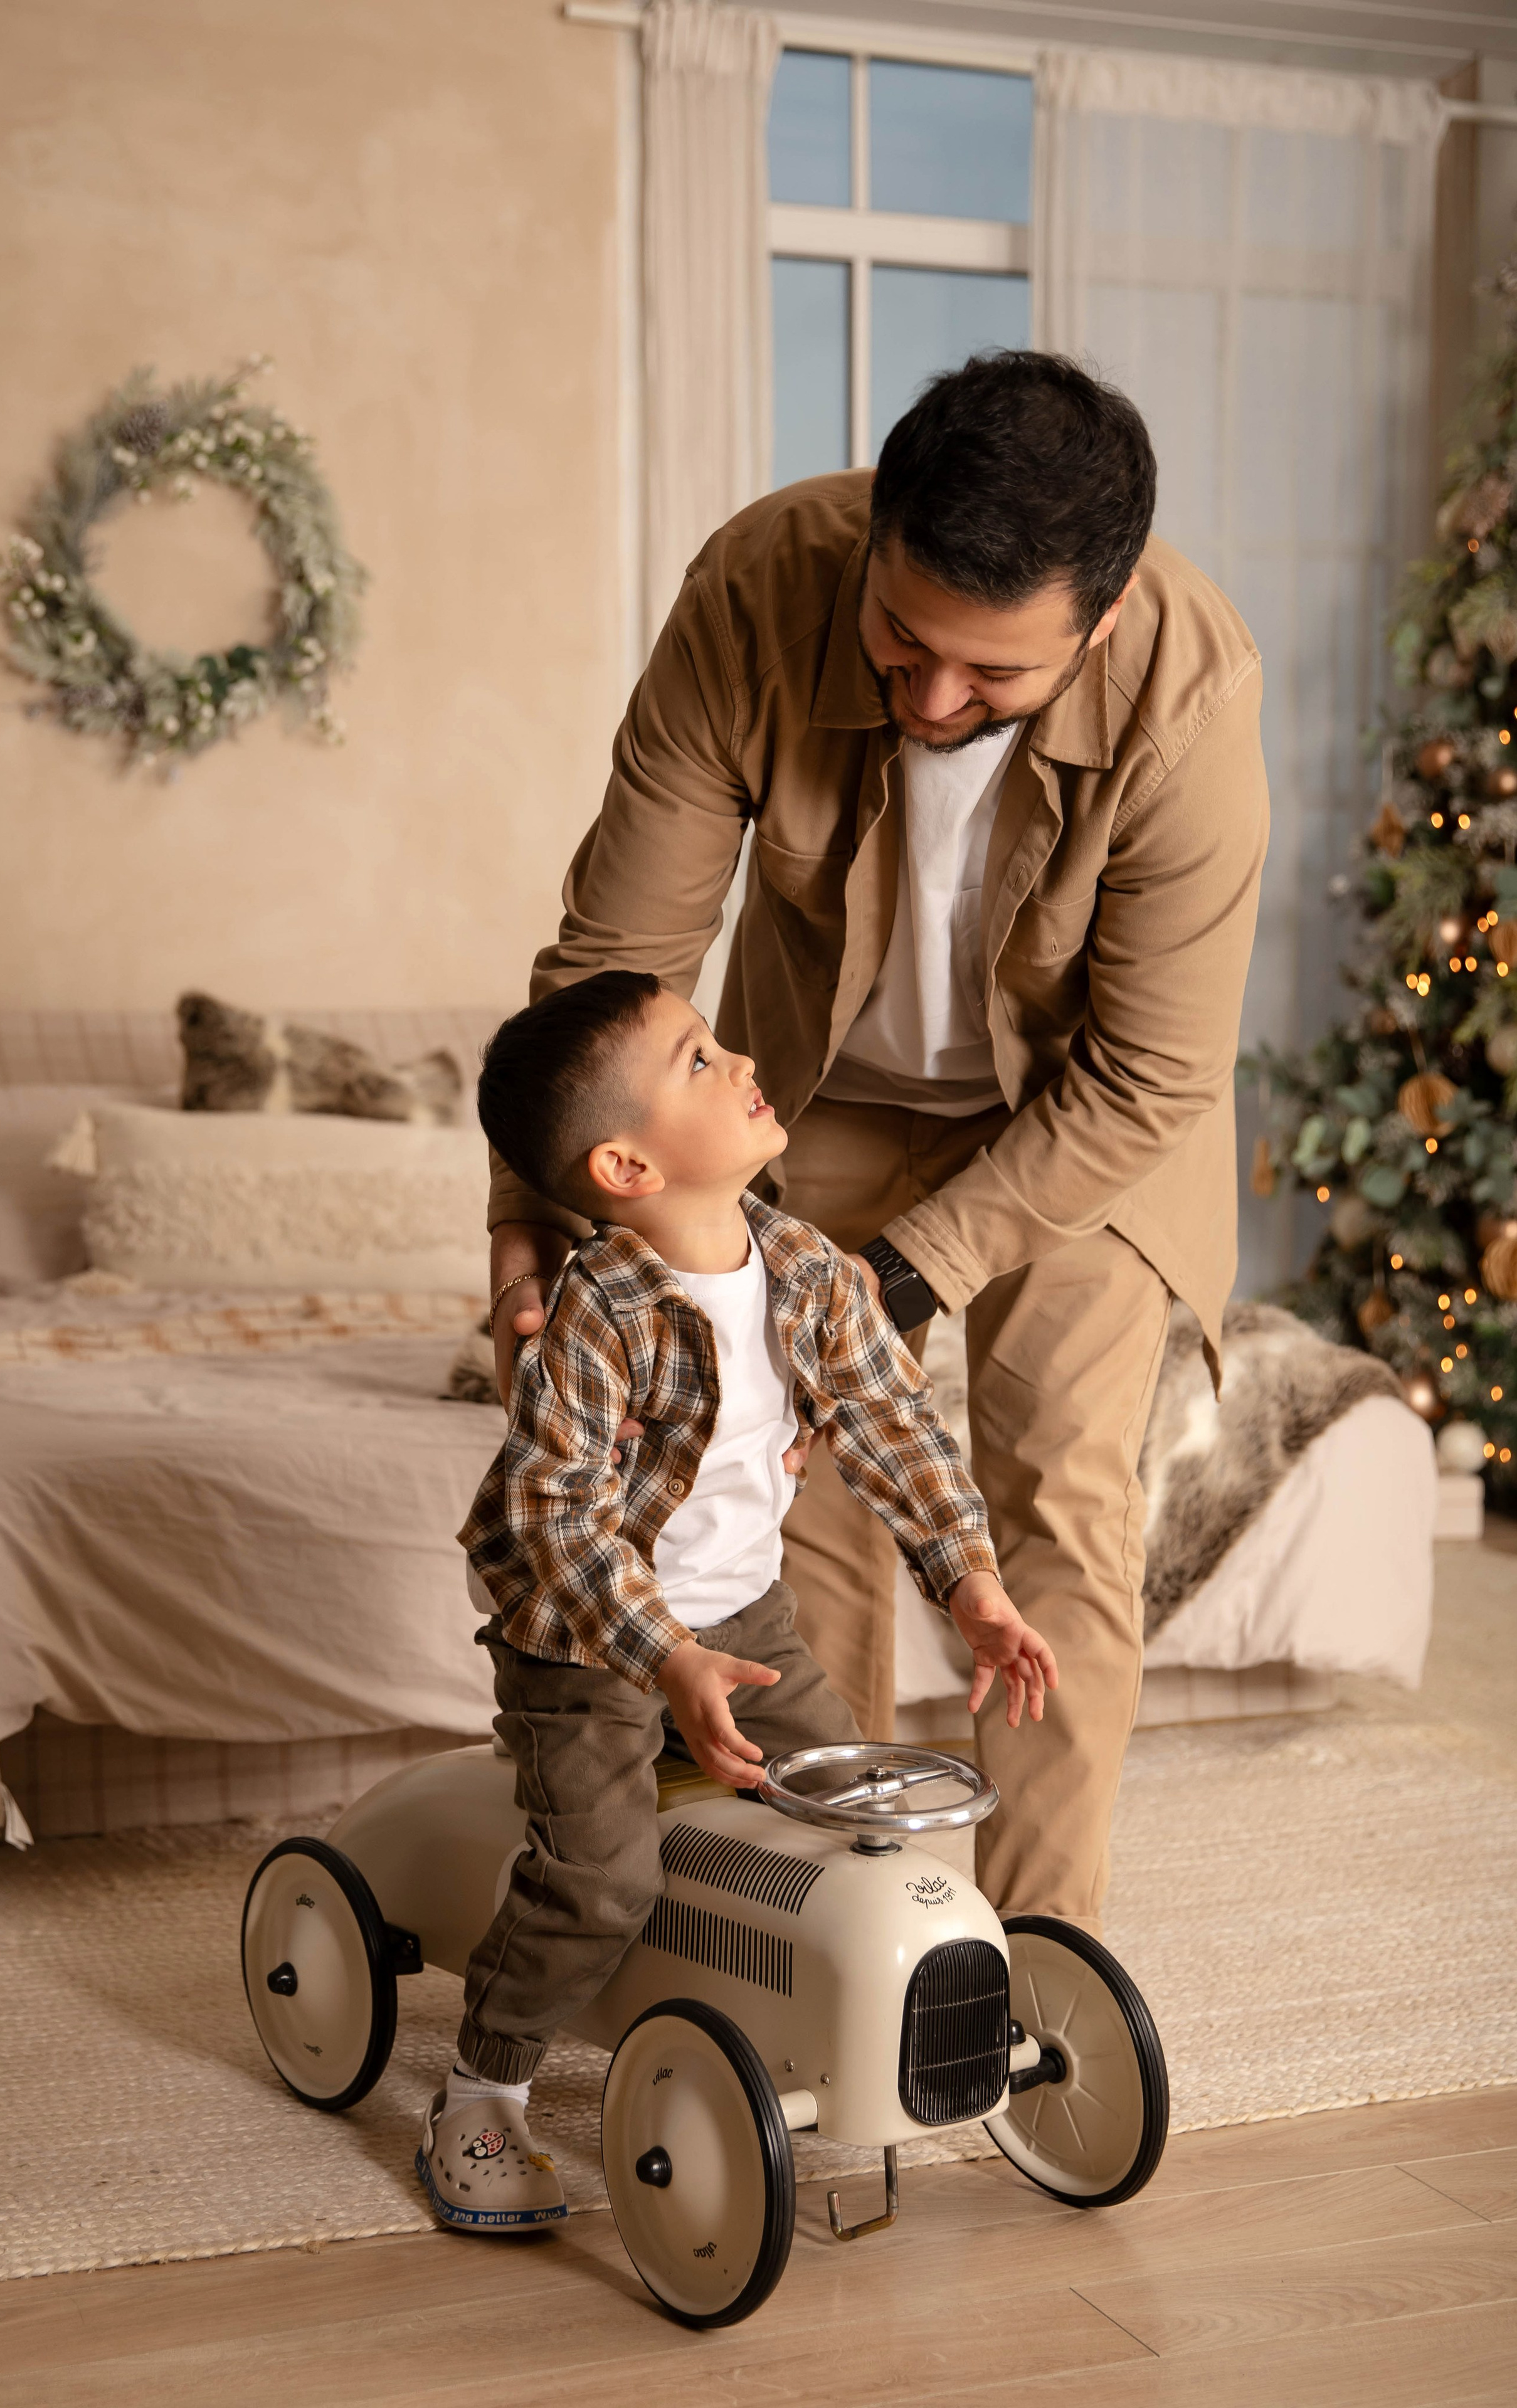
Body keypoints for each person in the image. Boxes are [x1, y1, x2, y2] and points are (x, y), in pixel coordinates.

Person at [485, 352, 1269, 1945]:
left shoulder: (1189, 694)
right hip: (822, 1093)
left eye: (990, 674)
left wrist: (898, 1280)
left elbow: (1151, 1071)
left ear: (1100, 619)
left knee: (1054, 1493)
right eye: (902, 640)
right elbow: (618, 964)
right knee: (798, 1495)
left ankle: (1030, 1959)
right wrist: (535, 1212)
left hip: (1081, 1120)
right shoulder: (754, 589)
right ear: (872, 543)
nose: (928, 701)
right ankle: (816, 1929)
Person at [418, 970, 1057, 2232]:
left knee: (861, 1815)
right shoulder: (593, 1318)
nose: (741, 1061)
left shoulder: (806, 1269)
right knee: (600, 1878)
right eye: (698, 1063)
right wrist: (666, 1662)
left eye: (716, 1043)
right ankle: (481, 2091)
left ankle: (826, 2021)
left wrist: (971, 1582)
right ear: (626, 1166)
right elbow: (559, 1522)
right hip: (590, 1638)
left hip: (747, 1622)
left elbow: (892, 1423)